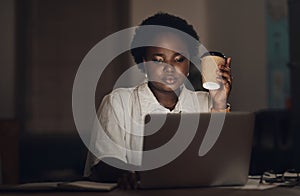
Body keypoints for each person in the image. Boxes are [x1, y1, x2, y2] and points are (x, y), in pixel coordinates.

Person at [84, 12, 232, 185]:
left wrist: (220, 102)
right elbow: (104, 165)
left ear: (188, 65)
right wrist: (139, 174)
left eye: (179, 59)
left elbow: (224, 163)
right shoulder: (119, 102)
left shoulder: (205, 102)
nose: (169, 68)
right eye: (158, 60)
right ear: (143, 63)